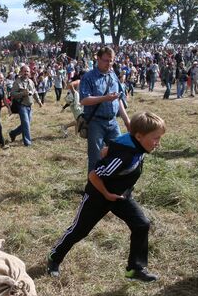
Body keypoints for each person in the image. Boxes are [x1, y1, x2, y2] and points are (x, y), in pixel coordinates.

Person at [47, 112, 166, 282]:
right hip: (98, 195)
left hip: (118, 196)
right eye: (155, 138)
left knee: (141, 224)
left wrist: (109, 149)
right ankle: (54, 257)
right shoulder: (125, 156)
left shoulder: (135, 144)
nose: (158, 143)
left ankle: (135, 268)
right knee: (79, 230)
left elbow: (118, 142)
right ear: (139, 136)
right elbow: (94, 176)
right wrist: (105, 193)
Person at [79, 46, 130, 172]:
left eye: (111, 61)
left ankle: (112, 184)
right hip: (96, 123)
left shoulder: (113, 76)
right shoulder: (88, 77)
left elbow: (119, 100)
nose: (109, 63)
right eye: (106, 60)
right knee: (95, 158)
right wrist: (104, 98)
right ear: (98, 59)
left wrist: (127, 121)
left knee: (119, 153)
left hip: (112, 122)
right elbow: (84, 100)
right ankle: (93, 189)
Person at [8, 65, 42, 146]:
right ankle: (27, 143)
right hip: (21, 105)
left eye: (27, 71)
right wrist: (22, 93)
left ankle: (13, 133)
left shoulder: (31, 82)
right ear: (21, 72)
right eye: (24, 71)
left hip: (29, 105)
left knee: (26, 124)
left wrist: (39, 101)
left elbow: (35, 92)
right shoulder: (17, 82)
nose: (26, 73)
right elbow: (12, 93)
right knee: (26, 124)